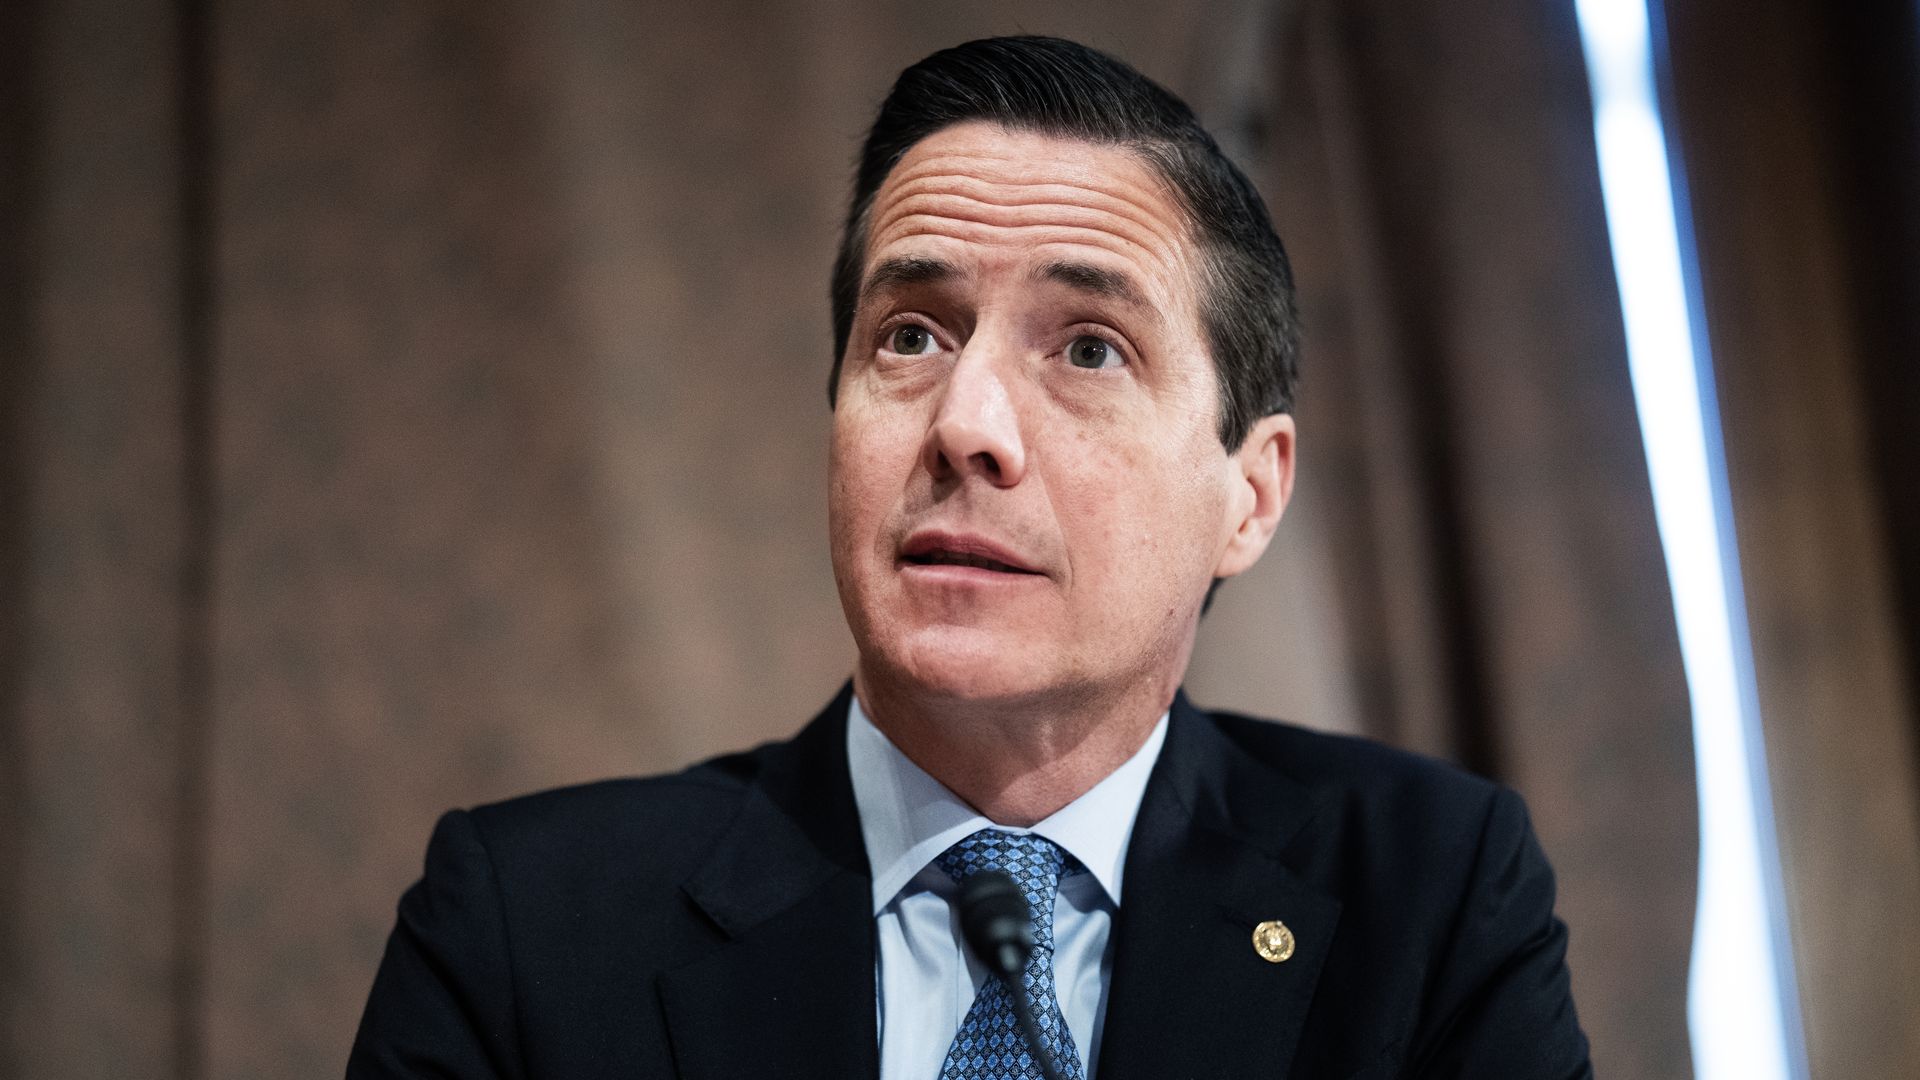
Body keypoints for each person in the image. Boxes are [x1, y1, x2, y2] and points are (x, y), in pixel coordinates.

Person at [348, 35, 1592, 1080]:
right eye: (911, 335)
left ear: (1250, 494)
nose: (965, 426)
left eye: (1090, 350)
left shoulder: (1431, 896)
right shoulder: (523, 925)